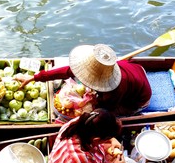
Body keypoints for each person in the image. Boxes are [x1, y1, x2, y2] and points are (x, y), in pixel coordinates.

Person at [16, 44, 152, 116]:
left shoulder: (115, 90)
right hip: (137, 69)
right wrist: (34, 78)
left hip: (139, 98)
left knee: (102, 113)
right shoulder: (100, 68)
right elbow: (66, 71)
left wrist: (91, 103)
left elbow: (108, 107)